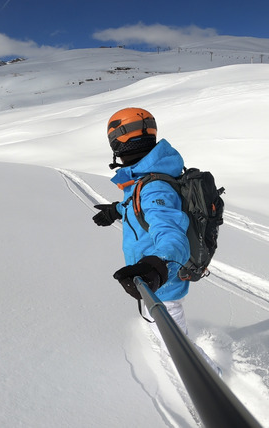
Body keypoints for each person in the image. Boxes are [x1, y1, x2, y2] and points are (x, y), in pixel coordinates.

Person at [92, 107, 220, 374]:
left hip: (162, 281)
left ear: (116, 142)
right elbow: (144, 207)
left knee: (176, 348)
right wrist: (116, 210)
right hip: (155, 279)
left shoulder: (152, 186)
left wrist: (156, 267)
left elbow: (172, 233)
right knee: (168, 337)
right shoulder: (148, 177)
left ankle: (214, 384)